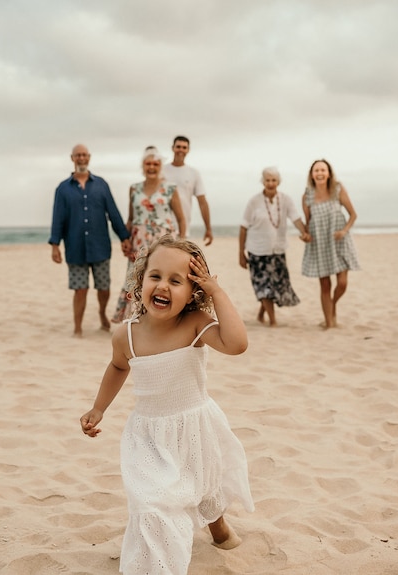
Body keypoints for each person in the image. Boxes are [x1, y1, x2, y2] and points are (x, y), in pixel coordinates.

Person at [80, 235, 253, 575]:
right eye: (155, 276)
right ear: (140, 280)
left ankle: (217, 526)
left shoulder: (195, 326)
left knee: (203, 483)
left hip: (195, 426)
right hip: (148, 434)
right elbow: (118, 367)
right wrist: (99, 408)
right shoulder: (126, 335)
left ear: (193, 293)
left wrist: (217, 293)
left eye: (177, 281)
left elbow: (237, 344)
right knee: (151, 500)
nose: (163, 286)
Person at [49, 144, 131, 337]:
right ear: (72, 158)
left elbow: (113, 213)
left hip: (100, 246)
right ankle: (78, 327)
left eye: (84, 155)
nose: (81, 158)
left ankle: (102, 313)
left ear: (89, 157)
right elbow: (57, 218)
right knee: (80, 289)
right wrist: (55, 245)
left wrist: (124, 237)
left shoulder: (101, 185)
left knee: (103, 288)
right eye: (78, 155)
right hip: (75, 247)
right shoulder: (63, 189)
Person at [111, 147, 187, 323]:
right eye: (148, 164)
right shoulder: (134, 189)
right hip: (138, 241)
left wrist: (182, 244)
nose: (151, 167)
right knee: (135, 278)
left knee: (162, 277)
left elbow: (181, 219)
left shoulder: (170, 189)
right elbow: (131, 218)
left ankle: (161, 317)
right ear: (142, 166)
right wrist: (125, 239)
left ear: (160, 166)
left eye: (155, 164)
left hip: (163, 241)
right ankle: (133, 319)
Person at [239, 166, 311, 326]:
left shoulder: (285, 199)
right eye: (267, 180)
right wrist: (240, 253)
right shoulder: (254, 201)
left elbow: (295, 218)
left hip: (277, 250)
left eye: (273, 180)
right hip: (256, 251)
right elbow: (243, 227)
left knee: (276, 286)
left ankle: (261, 314)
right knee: (263, 286)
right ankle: (273, 321)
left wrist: (305, 232)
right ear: (262, 181)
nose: (270, 183)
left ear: (278, 181)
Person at [301, 159, 361, 329]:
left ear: (328, 173)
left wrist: (344, 231)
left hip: (339, 241)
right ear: (312, 174)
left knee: (342, 283)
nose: (319, 173)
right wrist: (305, 235)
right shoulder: (307, 196)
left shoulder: (338, 189)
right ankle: (329, 323)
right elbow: (308, 224)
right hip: (319, 244)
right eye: (316, 170)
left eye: (323, 170)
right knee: (325, 285)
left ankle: (333, 305)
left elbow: (353, 215)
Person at [162, 135, 213, 245]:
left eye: (184, 147)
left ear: (188, 150)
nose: (181, 150)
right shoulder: (161, 171)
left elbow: (202, 202)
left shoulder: (193, 173)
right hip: (161, 225)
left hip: (182, 227)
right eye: (178, 146)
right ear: (173, 148)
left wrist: (208, 228)